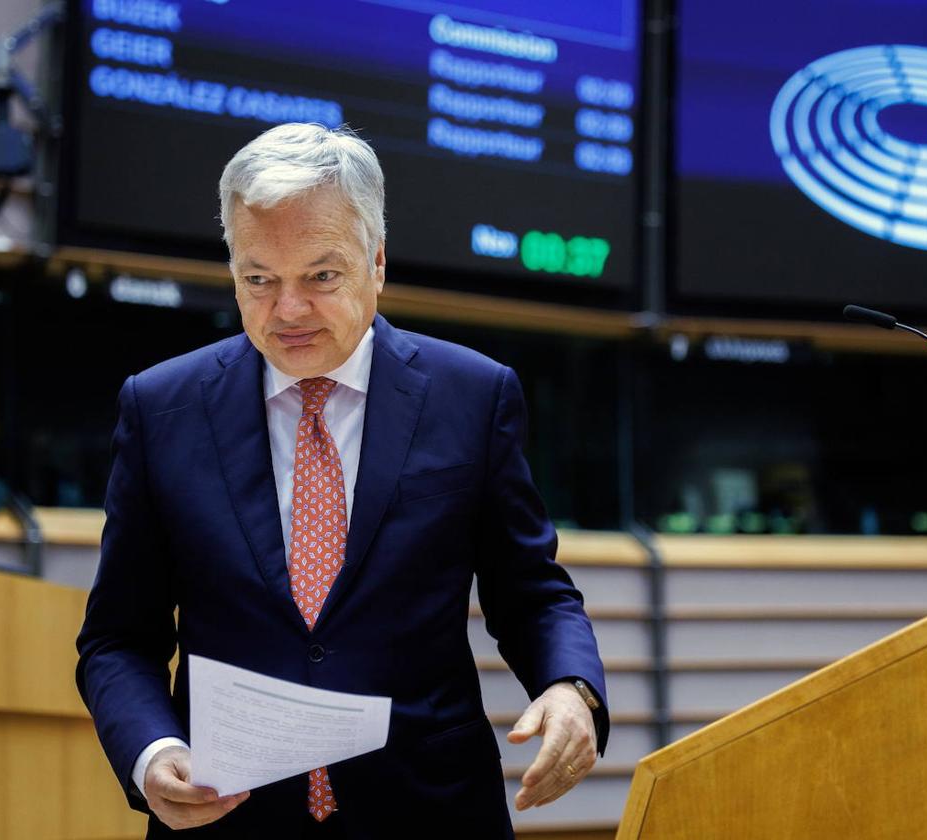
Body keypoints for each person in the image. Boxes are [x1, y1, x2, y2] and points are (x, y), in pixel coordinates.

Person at [76, 122, 608, 839]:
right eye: (258, 280)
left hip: (430, 813)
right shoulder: (161, 407)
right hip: (228, 821)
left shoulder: (473, 396)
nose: (287, 310)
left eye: (320, 276)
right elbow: (118, 639)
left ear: (376, 262)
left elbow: (532, 593)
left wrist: (569, 689)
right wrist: (152, 751)